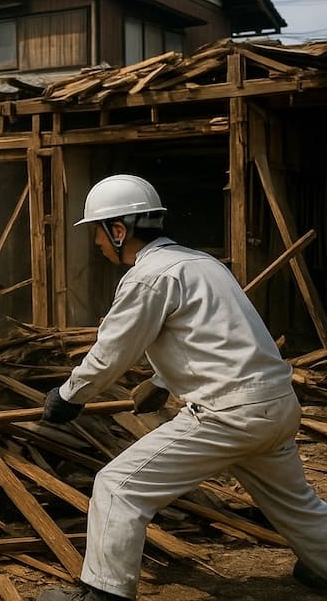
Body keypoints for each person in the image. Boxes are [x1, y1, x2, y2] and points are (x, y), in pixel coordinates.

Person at [38, 174, 327, 601]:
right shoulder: (203, 264)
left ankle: (103, 594)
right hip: (275, 405)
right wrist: (160, 382)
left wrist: (68, 396)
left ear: (119, 231)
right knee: (296, 504)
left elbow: (113, 352)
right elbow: (215, 339)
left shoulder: (147, 277)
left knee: (118, 487)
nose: (97, 244)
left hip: (226, 414)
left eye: (98, 233)